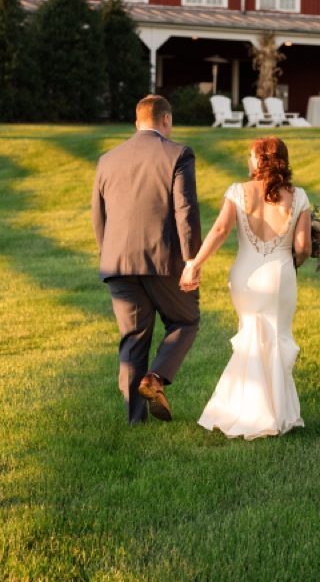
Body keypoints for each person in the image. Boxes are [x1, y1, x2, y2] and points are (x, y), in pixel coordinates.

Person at [184, 136, 311, 439]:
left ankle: (242, 411)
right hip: (280, 276)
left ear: (261, 160)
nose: (248, 160)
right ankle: (276, 415)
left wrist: (195, 263)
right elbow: (303, 246)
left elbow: (220, 229)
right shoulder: (300, 196)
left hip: (246, 276)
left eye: (251, 155)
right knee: (277, 339)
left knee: (250, 336)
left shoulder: (237, 191)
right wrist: (295, 261)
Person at [91, 95, 202, 426]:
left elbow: (99, 217)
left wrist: (108, 254)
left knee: (133, 338)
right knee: (186, 320)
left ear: (137, 122)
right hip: (162, 259)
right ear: (165, 120)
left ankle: (134, 421)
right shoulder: (178, 154)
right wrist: (191, 260)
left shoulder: (107, 159)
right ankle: (154, 379)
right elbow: (186, 211)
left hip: (117, 262)